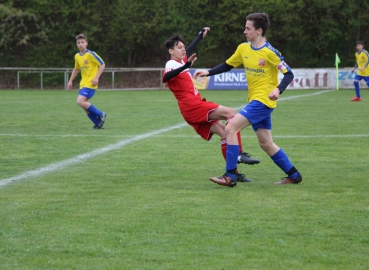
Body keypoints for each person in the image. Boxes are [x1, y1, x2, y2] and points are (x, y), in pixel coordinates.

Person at [194, 13, 302, 187]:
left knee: (230, 127)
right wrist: (208, 72)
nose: (244, 31)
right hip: (255, 100)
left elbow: (288, 73)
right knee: (266, 143)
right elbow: (228, 65)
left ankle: (230, 176)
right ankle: (294, 174)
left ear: (259, 31)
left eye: (248, 28)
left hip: (263, 102)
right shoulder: (243, 48)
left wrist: (277, 89)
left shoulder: (270, 52)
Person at [162, 27, 260, 183]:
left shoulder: (180, 61)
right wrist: (185, 67)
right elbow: (166, 77)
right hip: (191, 105)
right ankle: (239, 153)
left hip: (193, 105)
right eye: (179, 47)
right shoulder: (172, 64)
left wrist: (200, 35)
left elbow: (190, 48)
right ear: (170, 51)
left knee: (224, 133)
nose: (183, 50)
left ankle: (233, 174)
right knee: (231, 113)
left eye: (183, 47)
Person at [67, 33, 107, 129]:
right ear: (76, 44)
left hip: (91, 83)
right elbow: (76, 69)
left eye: (82, 42)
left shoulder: (91, 54)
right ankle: (98, 124)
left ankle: (101, 114)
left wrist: (96, 77)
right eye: (78, 42)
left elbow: (102, 64)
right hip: (83, 83)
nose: (80, 44)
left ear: (86, 43)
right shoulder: (77, 56)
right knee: (85, 106)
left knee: (79, 101)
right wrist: (70, 80)